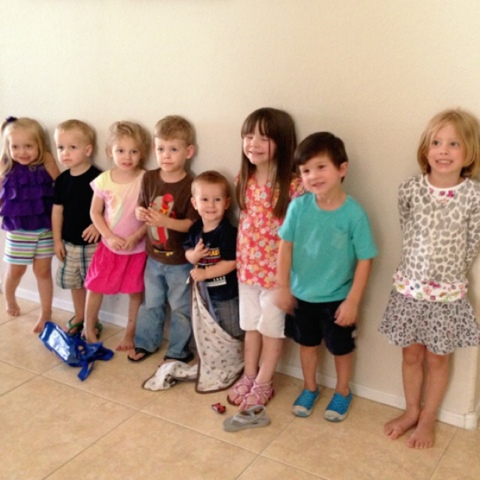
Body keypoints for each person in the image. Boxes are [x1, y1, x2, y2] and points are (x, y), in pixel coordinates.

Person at [379, 108, 480, 449]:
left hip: (447, 296)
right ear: (425, 148)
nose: (443, 151)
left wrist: (445, 277)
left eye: (454, 144)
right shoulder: (410, 189)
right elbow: (407, 228)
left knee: (438, 359)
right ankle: (411, 410)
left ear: (469, 152)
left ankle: (428, 417)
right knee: (411, 356)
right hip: (410, 290)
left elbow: (472, 245)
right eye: (436, 142)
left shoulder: (474, 197)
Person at [276, 132, 377, 422]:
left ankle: (343, 391)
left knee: (340, 349)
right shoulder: (298, 207)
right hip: (301, 295)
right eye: (306, 170)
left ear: (342, 169)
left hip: (338, 298)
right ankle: (310, 387)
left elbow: (366, 258)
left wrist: (353, 301)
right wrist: (282, 286)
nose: (313, 176)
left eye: (321, 167)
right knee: (307, 345)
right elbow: (285, 246)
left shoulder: (354, 214)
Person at [227, 107, 304, 410]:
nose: (254, 144)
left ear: (282, 143)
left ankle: (264, 381)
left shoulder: (294, 186)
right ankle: (249, 374)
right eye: (249, 136)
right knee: (250, 326)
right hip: (247, 270)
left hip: (276, 276)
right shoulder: (243, 179)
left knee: (271, 329)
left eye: (263, 138)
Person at [128, 115, 199, 363]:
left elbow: (190, 224)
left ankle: (178, 350)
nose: (166, 155)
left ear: (188, 152)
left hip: (180, 261)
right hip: (153, 257)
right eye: (160, 149)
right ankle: (146, 342)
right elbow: (141, 205)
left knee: (180, 307)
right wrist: (140, 212)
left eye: (173, 150)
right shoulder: (149, 178)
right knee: (151, 303)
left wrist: (165, 222)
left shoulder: (191, 184)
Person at [83, 121, 149, 350]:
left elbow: (151, 216)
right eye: (121, 150)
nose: (127, 157)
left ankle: (130, 332)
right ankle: (88, 328)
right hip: (109, 247)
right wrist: (109, 236)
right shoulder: (104, 179)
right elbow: (95, 212)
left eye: (133, 151)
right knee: (95, 287)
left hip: (137, 249)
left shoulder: (146, 179)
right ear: (110, 152)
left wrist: (137, 236)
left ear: (142, 154)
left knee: (135, 292)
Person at [0, 116, 60, 333]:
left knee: (43, 271)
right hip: (19, 228)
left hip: (45, 226)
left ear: (40, 145)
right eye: (15, 147)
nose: (22, 152)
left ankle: (46, 312)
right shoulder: (6, 164)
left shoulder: (46, 161)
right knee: (16, 270)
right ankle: (9, 298)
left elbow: (60, 185)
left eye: (28, 146)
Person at [52, 119, 102, 337]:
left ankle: (92, 321)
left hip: (93, 245)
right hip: (69, 244)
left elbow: (110, 208)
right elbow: (57, 212)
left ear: (87, 150)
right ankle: (80, 315)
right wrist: (56, 240)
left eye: (72, 147)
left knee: (93, 284)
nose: (65, 153)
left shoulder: (98, 179)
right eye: (61, 147)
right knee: (75, 282)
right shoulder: (62, 180)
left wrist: (97, 226)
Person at [184, 170, 241, 339]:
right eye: (204, 199)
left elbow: (231, 262)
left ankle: (234, 356)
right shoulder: (195, 229)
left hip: (225, 294)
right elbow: (187, 251)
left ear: (227, 203)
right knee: (209, 330)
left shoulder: (227, 232)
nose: (211, 205)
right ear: (194, 203)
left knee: (230, 330)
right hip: (203, 293)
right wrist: (193, 255)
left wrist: (206, 273)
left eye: (217, 199)